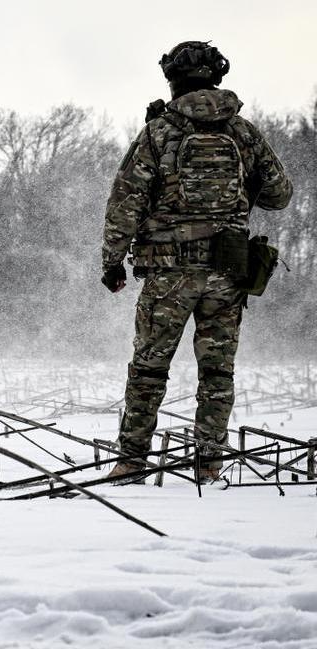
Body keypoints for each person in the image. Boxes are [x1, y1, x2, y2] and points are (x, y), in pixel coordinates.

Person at [100, 41, 292, 483]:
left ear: (173, 80)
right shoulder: (243, 132)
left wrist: (112, 262)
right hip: (227, 273)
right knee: (217, 373)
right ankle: (208, 466)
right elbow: (280, 195)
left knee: (148, 369)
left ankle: (131, 463)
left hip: (168, 275)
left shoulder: (160, 132)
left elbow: (124, 203)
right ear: (217, 77)